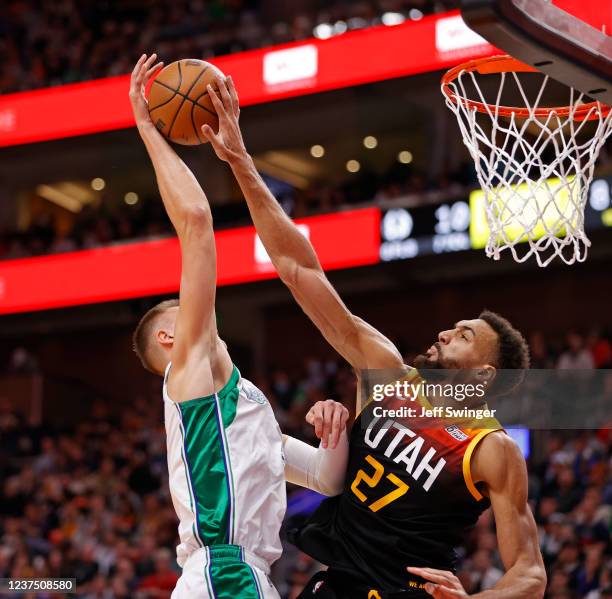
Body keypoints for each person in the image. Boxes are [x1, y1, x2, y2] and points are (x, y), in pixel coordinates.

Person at [201, 74, 547, 599]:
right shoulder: (387, 374)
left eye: (462, 336)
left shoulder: (491, 450)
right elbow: (300, 271)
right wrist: (242, 164)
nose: (442, 334)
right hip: (332, 585)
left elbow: (529, 573)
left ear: (483, 373)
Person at [128, 55, 350, 599]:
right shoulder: (189, 377)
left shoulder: (246, 413)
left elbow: (327, 478)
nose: (194, 309)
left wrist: (337, 431)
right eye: (180, 310)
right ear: (168, 340)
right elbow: (198, 223)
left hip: (243, 577)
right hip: (224, 574)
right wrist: (146, 127)